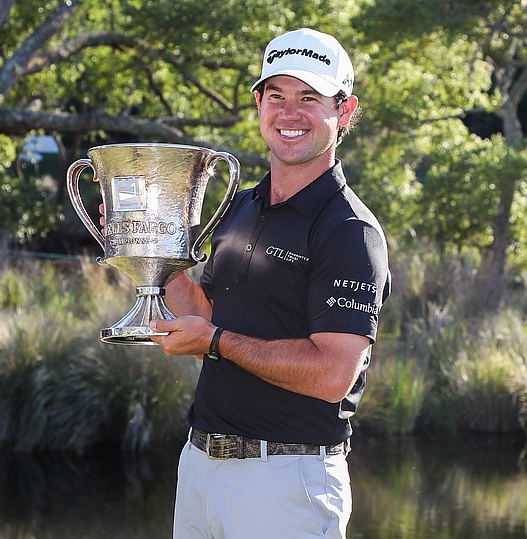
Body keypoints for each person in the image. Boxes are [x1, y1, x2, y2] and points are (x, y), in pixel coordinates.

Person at [104, 28, 390, 538]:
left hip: (287, 480)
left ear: (343, 112)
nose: (289, 113)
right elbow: (204, 318)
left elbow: (332, 375)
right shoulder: (238, 209)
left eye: (309, 98)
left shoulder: (349, 231)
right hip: (200, 466)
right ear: (258, 104)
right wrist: (153, 250)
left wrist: (216, 342)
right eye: (276, 96)